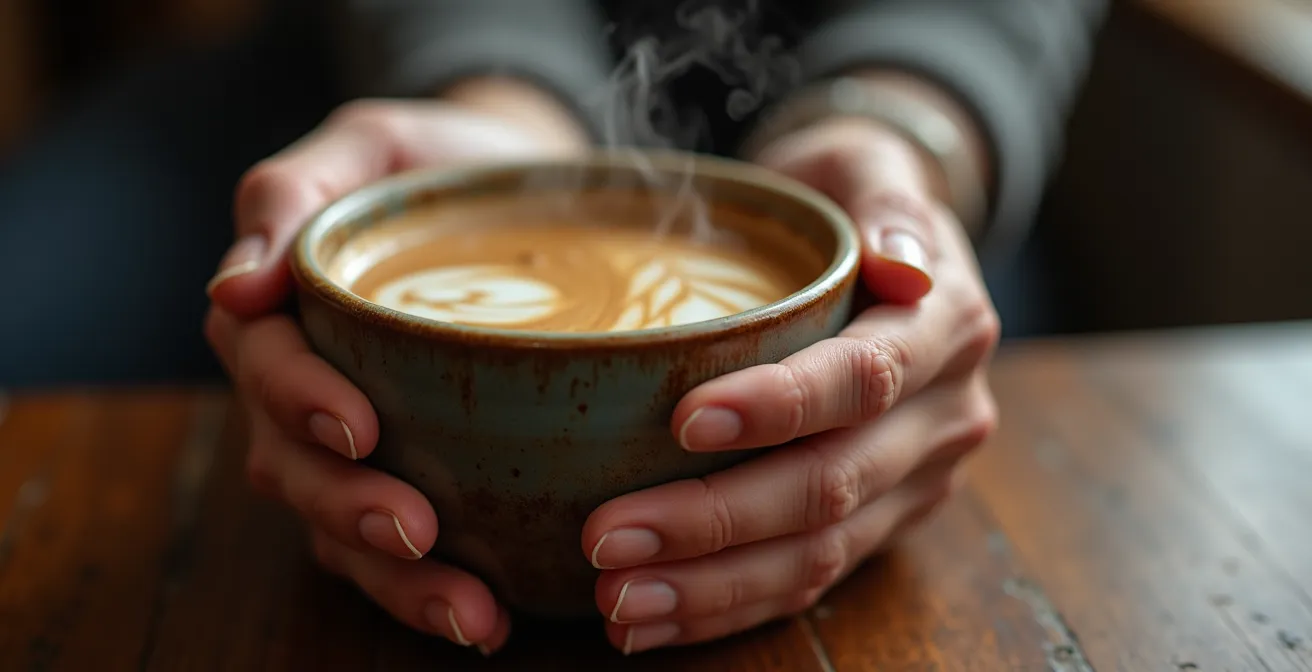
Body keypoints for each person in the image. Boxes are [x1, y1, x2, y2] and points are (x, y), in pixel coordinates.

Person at [5, 0, 1107, 656]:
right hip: (396, 63)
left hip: (875, 117)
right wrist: (497, 100)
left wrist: (905, 127)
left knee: (932, 334)